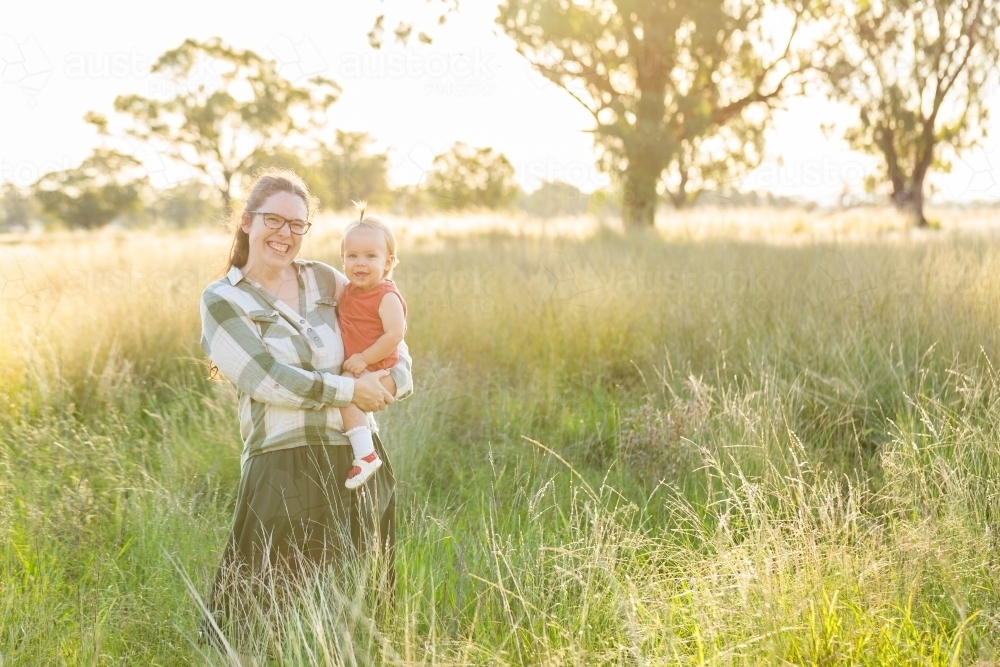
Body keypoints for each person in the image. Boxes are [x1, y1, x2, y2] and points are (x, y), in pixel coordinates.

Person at [198, 168, 411, 646]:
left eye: (298, 225)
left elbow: (388, 331)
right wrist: (350, 390)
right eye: (275, 220)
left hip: (359, 458)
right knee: (256, 619)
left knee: (361, 615)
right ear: (247, 222)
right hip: (281, 463)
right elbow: (266, 379)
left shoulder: (323, 279)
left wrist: (392, 381)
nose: (286, 234)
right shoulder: (222, 299)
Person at [336, 201, 407, 491]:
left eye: (370, 256)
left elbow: (394, 335)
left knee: (346, 390)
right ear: (342, 259)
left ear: (387, 262)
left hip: (375, 361)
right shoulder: (348, 289)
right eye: (352, 256)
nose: (360, 263)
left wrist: (364, 359)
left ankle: (365, 454)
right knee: (346, 392)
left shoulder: (386, 295)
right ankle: (363, 450)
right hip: (362, 361)